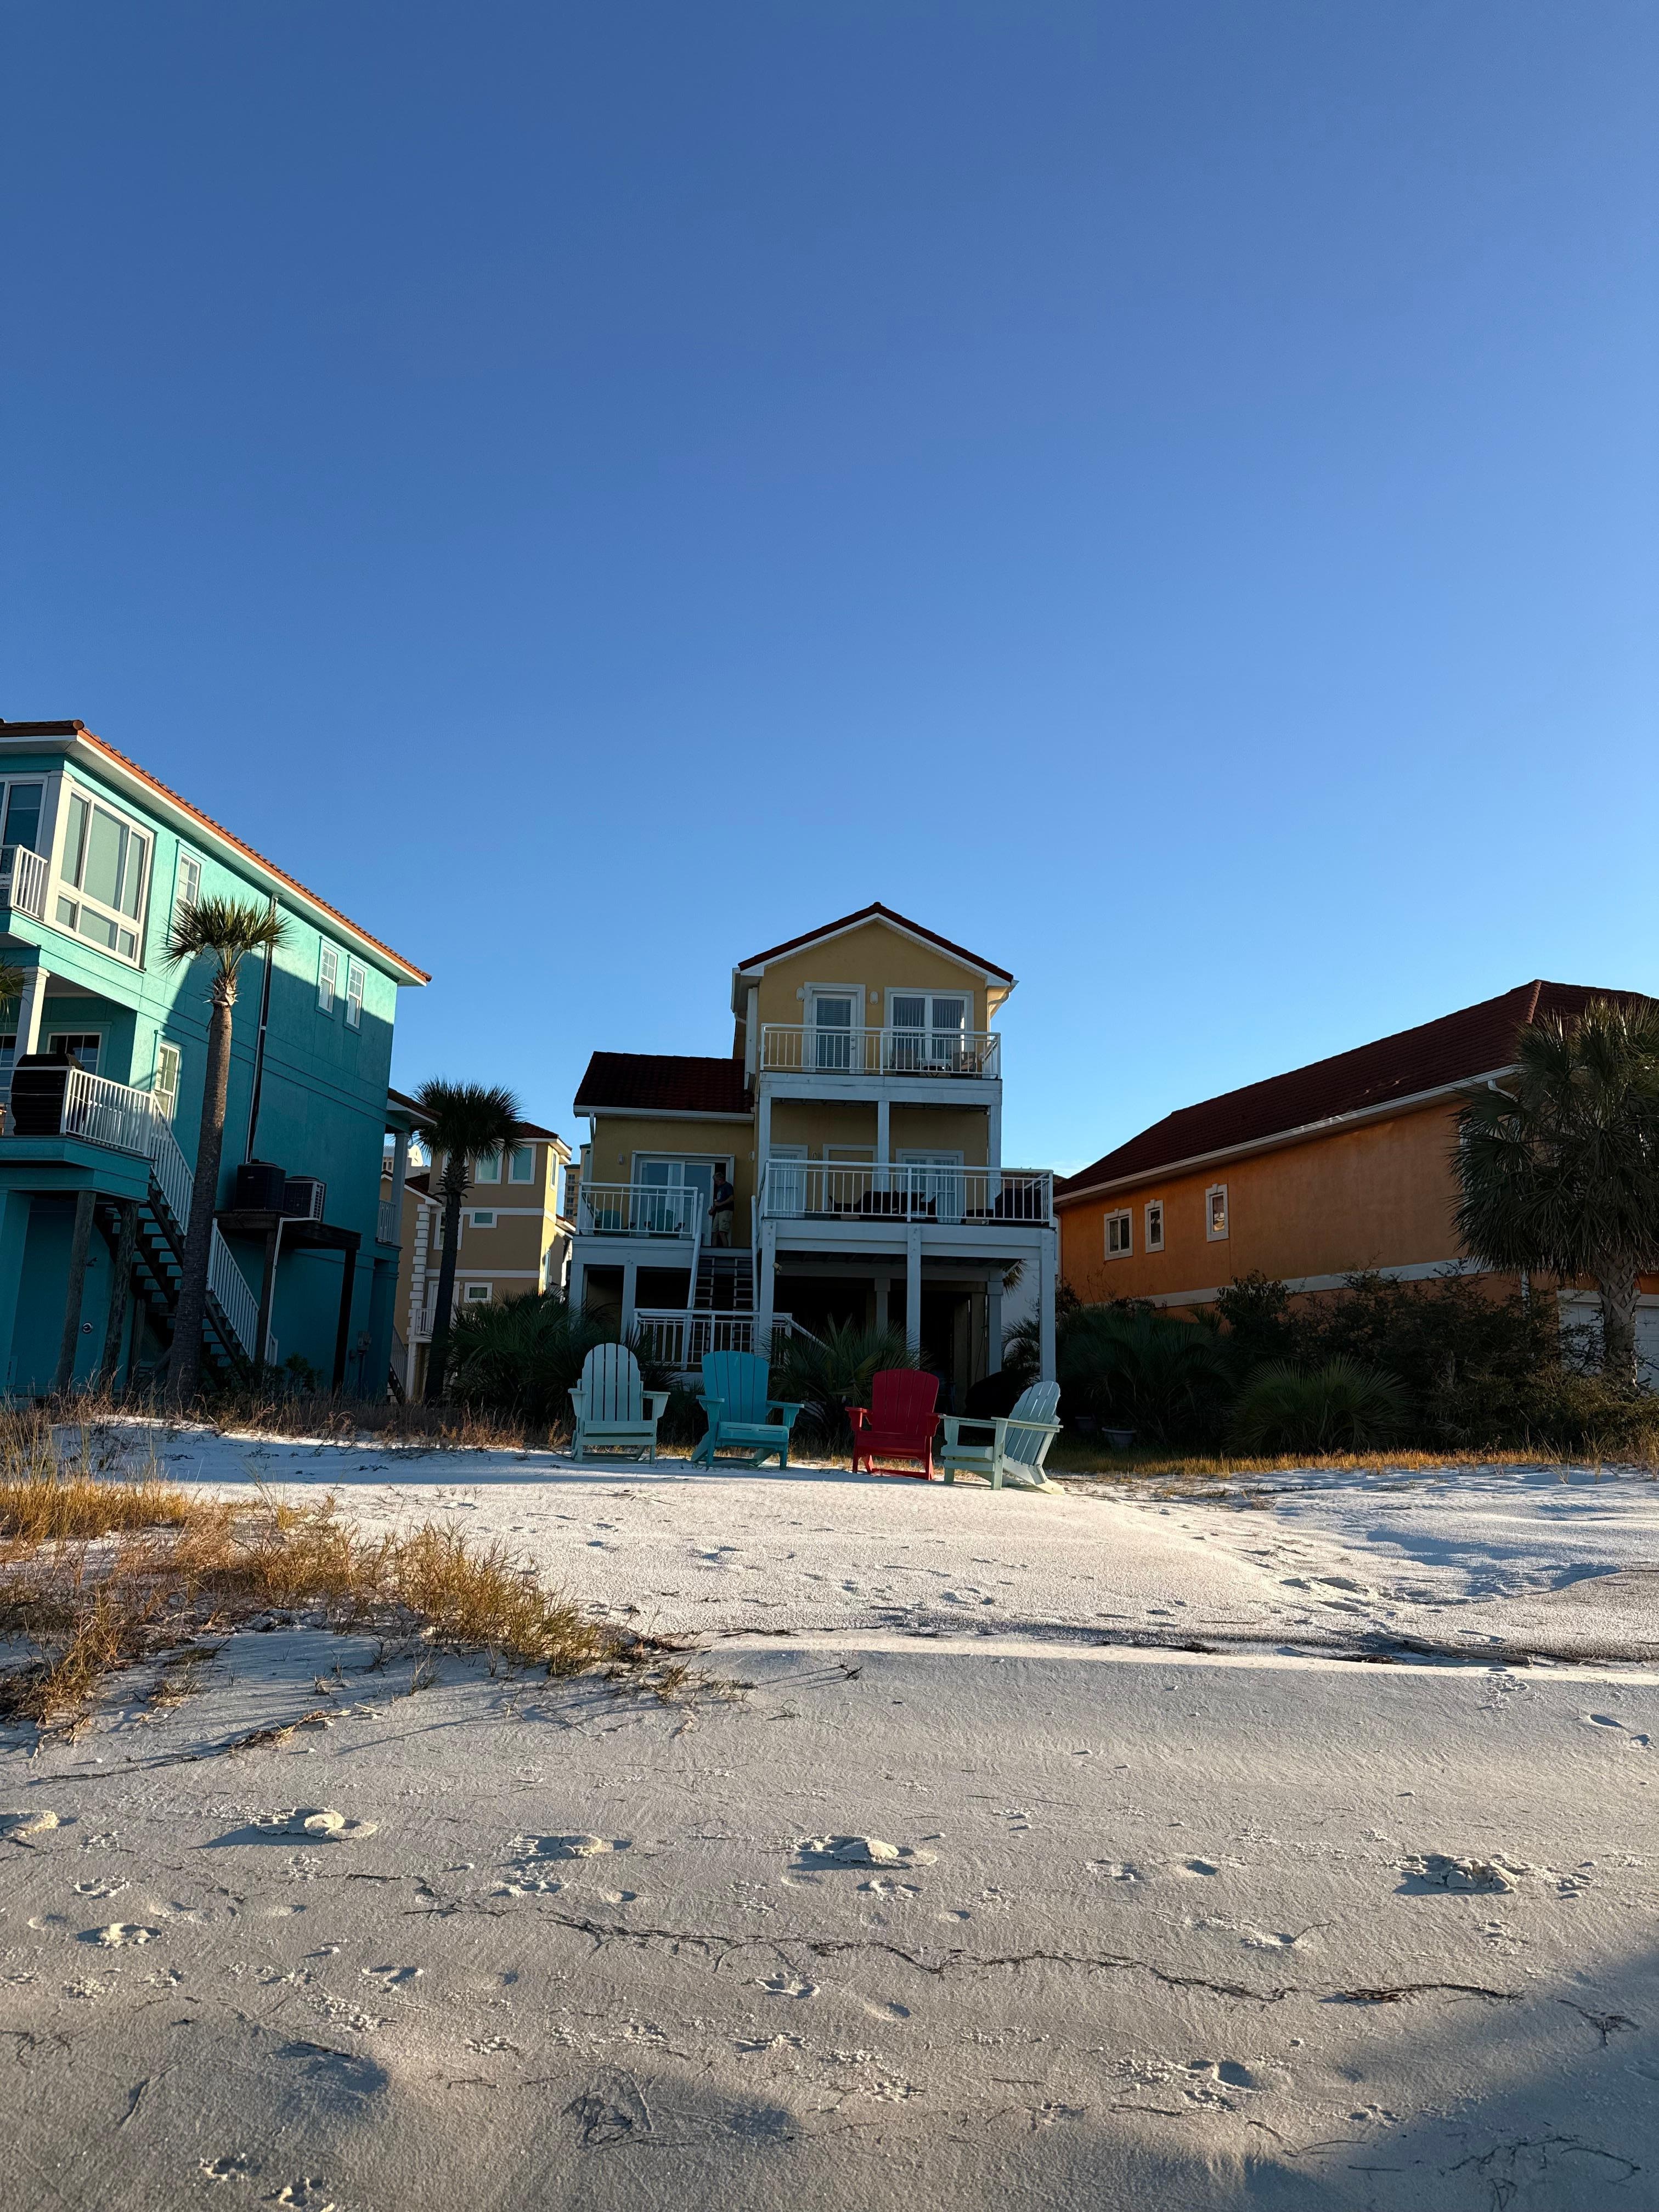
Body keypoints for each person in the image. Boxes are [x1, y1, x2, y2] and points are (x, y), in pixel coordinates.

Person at [709, 1167, 735, 1248]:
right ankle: (713, 1251)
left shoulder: (728, 1186)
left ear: (721, 1179)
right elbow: (718, 1201)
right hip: (719, 1212)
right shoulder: (720, 1188)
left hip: (726, 1211)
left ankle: (726, 1251)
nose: (716, 1183)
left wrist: (721, 1204)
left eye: (716, 1181)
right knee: (714, 1232)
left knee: (722, 1233)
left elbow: (732, 1198)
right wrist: (713, 1209)